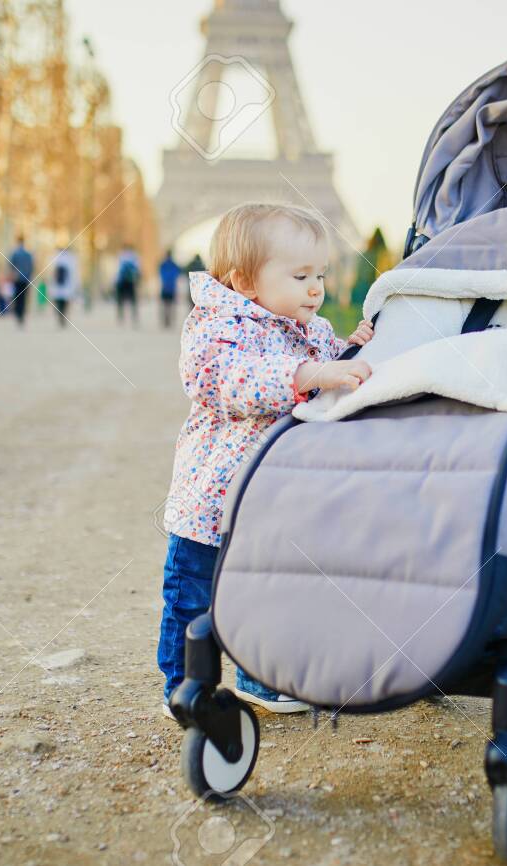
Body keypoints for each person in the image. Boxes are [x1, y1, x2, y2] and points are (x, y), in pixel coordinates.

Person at [158, 202, 375, 715]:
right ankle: (185, 688)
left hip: (274, 503)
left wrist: (350, 350)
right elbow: (230, 379)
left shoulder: (311, 328)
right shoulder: (215, 327)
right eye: (300, 275)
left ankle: (262, 681)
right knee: (194, 598)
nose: (316, 288)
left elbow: (331, 370)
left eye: (320, 274)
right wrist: (305, 376)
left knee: (269, 597)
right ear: (245, 282)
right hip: (211, 505)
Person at [6, 235, 35, 328]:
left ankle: (18, 315)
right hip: (25, 279)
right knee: (23, 298)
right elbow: (31, 267)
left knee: (17, 297)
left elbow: (11, 266)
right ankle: (21, 315)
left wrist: (11, 275)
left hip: (17, 279)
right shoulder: (28, 254)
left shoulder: (15, 253)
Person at [50, 246, 80, 327]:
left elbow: (52, 273)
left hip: (59, 287)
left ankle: (61, 317)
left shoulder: (55, 258)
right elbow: (74, 274)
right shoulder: (71, 259)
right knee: (65, 303)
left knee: (59, 303)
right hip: (65, 287)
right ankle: (63, 317)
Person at [115, 243, 140, 326]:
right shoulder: (134, 256)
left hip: (121, 281)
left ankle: (120, 318)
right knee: (133, 301)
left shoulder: (121, 255)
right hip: (131, 281)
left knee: (120, 301)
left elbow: (117, 270)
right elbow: (137, 270)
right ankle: (134, 318)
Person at [158, 250, 183, 329]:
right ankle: (170, 320)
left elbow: (160, 275)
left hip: (164, 288)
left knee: (165, 305)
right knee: (172, 305)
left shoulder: (162, 264)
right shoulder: (174, 265)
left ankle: (166, 320)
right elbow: (178, 274)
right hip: (172, 288)